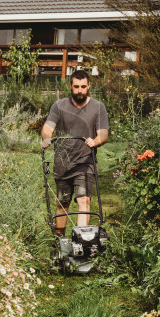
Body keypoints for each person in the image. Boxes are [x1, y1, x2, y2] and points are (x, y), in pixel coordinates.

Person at [41, 70, 109, 236]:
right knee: (62, 203)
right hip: (62, 164)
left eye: (83, 87)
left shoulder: (98, 107)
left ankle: (81, 239)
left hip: (86, 163)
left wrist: (96, 141)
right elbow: (48, 127)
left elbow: (103, 134)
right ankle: (60, 238)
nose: (80, 90)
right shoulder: (59, 106)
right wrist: (47, 138)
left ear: (89, 87)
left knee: (84, 200)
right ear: (70, 86)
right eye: (76, 86)